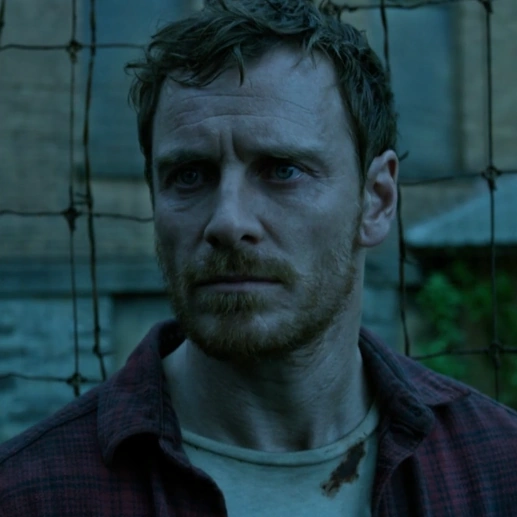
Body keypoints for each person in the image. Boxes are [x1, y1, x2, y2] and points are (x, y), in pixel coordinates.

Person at [1, 0, 517, 515]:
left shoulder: (496, 468)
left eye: (282, 170)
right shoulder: (33, 494)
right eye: (189, 175)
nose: (228, 222)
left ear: (377, 200)